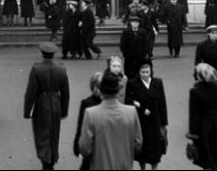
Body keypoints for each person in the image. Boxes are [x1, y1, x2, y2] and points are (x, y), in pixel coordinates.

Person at [77, 72, 143, 170]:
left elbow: (85, 148)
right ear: (117, 91)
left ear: (102, 91)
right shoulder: (131, 112)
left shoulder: (91, 114)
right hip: (124, 165)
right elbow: (138, 143)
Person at [23, 42, 70, 171]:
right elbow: (65, 93)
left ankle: (45, 159)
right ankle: (52, 157)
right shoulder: (61, 70)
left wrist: (27, 111)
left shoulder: (37, 69)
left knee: (42, 132)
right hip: (56, 102)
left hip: (41, 103)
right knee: (54, 132)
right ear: (53, 55)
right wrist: (64, 111)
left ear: (42, 54)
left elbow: (31, 92)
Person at [188, 63, 217, 170]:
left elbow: (194, 114)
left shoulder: (195, 91)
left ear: (199, 75)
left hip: (204, 125)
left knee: (206, 156)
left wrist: (192, 134)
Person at [126, 60, 169, 171]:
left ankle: (154, 168)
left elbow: (162, 103)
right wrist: (139, 107)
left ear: (151, 71)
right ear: (139, 72)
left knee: (156, 149)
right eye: (142, 72)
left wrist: (164, 123)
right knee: (143, 148)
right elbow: (128, 101)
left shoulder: (158, 83)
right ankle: (142, 168)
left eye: (147, 72)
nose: (145, 74)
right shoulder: (133, 84)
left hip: (155, 120)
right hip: (141, 121)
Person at [73, 71, 103, 170]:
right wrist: (77, 146)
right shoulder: (87, 103)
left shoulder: (88, 103)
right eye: (97, 87)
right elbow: (81, 125)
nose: (99, 90)